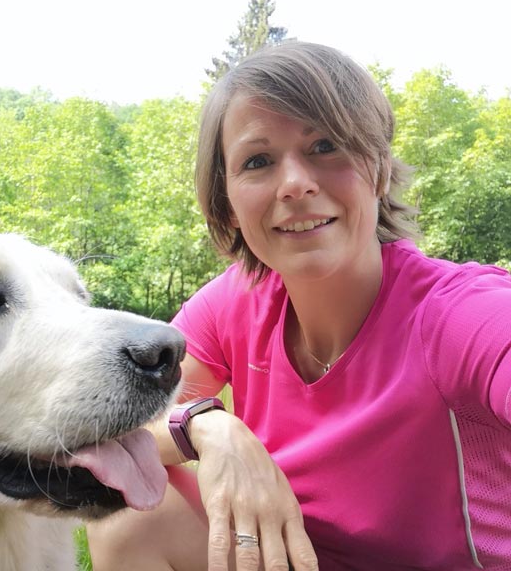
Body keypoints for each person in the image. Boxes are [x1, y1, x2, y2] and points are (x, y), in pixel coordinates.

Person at [86, 42, 511, 571]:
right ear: (229, 204)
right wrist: (207, 427)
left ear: (377, 169)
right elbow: (120, 429)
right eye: (258, 161)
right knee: (129, 514)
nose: (295, 184)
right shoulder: (233, 304)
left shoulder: (459, 316)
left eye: (326, 146)